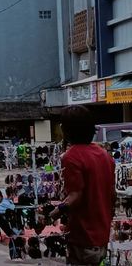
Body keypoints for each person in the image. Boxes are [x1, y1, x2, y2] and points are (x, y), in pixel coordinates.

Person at [49, 105, 114, 265]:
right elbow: (112, 194)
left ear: (67, 129)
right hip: (102, 232)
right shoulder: (103, 154)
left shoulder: (71, 156)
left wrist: (54, 213)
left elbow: (75, 195)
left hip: (83, 234)